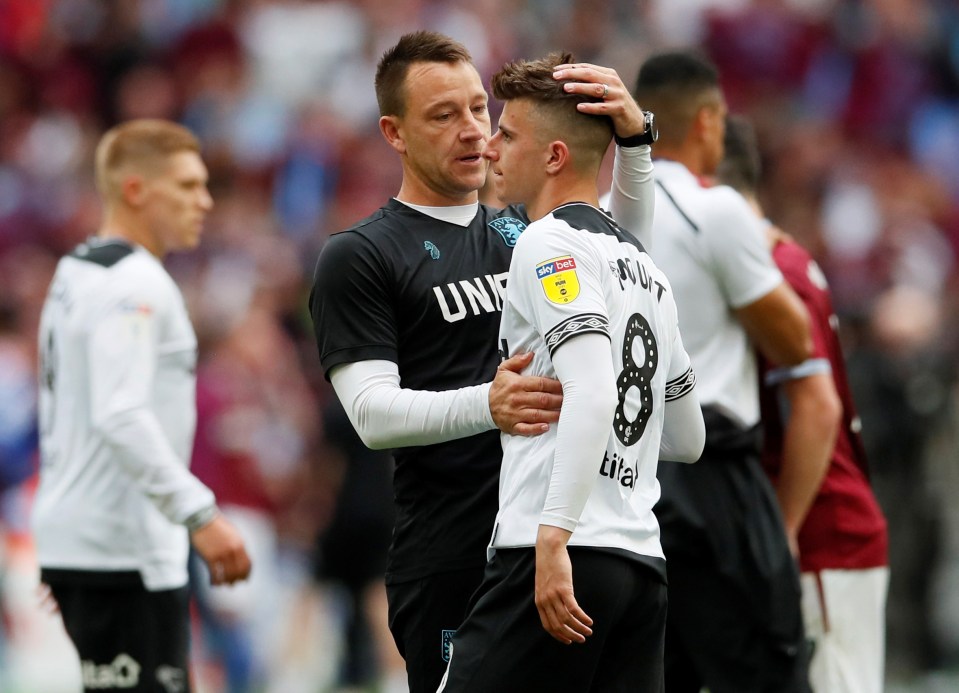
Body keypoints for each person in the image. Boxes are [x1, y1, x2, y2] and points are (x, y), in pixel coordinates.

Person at [309, 30, 655, 693]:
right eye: (443, 115)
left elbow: (627, 251)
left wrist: (633, 144)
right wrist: (486, 404)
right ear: (394, 132)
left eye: (477, 109)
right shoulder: (361, 254)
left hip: (555, 537)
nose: (471, 131)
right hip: (452, 555)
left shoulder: (522, 232)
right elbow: (372, 414)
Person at [436, 51, 704, 693]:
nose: (490, 146)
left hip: (556, 550)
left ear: (554, 157)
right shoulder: (649, 272)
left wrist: (554, 538)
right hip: (641, 564)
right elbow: (688, 438)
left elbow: (590, 388)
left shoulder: (546, 243)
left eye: (508, 133)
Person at [32, 119, 252, 693]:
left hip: (89, 539)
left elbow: (75, 409)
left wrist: (68, 539)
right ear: (135, 190)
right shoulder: (137, 286)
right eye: (186, 186)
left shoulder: (76, 270)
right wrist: (200, 515)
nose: (204, 201)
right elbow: (119, 413)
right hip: (122, 546)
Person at [632, 51, 814, 692]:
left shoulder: (595, 213)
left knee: (658, 670)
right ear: (708, 121)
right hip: (712, 472)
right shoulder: (717, 210)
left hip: (627, 477)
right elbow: (795, 342)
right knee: (763, 667)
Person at [717, 114, 890, 693]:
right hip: (816, 538)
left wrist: (782, 531)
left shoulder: (774, 271)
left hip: (822, 541)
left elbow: (818, 409)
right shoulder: (767, 262)